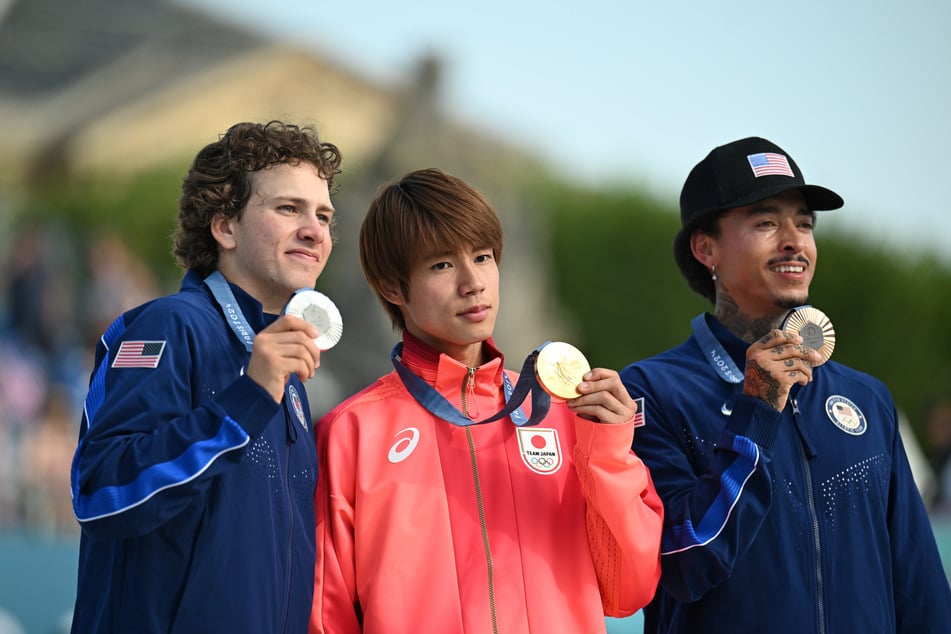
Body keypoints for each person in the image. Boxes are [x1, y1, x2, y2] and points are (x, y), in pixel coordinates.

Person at [619, 136, 951, 632]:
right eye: (767, 222)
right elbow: (682, 562)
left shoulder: (867, 399)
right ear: (706, 247)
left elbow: (920, 587)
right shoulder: (652, 391)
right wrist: (757, 414)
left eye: (805, 223)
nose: (794, 240)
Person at [311, 168, 663, 633]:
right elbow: (326, 615)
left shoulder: (561, 412)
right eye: (441, 265)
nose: (472, 282)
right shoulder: (351, 433)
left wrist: (607, 453)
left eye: (482, 257)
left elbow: (628, 591)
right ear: (393, 287)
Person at [69, 120, 342, 633]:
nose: (315, 230)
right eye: (289, 208)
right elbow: (101, 494)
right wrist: (247, 400)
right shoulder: (167, 326)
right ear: (225, 226)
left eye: (323, 215)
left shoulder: (286, 368)